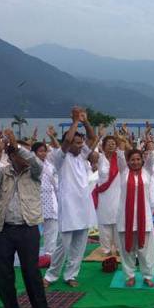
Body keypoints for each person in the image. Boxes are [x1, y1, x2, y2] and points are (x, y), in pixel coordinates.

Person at [0, 129, 49, 308]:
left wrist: (17, 147)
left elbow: (36, 162)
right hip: (4, 230)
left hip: (27, 229)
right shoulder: (3, 173)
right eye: (19, 153)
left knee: (31, 273)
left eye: (26, 153)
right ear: (11, 156)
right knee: (4, 274)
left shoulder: (34, 172)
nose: (26, 157)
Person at [43, 107, 97, 288]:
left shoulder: (82, 154)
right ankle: (51, 276)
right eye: (77, 142)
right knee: (63, 245)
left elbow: (93, 137)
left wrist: (85, 121)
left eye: (81, 142)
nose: (81, 145)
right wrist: (75, 121)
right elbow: (66, 140)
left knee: (79, 246)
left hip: (84, 206)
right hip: (68, 207)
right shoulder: (59, 156)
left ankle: (71, 275)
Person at [117, 130, 154, 287]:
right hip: (125, 219)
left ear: (142, 161)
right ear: (127, 162)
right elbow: (120, 154)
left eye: (138, 159)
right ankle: (130, 276)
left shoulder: (147, 172)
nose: (135, 162)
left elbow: (152, 156)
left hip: (144, 219)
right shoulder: (123, 172)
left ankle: (148, 276)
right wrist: (121, 140)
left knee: (145, 251)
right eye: (132, 160)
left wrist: (148, 140)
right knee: (127, 251)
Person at [93, 134, 127, 256]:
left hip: (117, 194)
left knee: (117, 222)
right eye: (109, 143)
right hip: (103, 194)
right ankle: (106, 249)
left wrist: (122, 139)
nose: (112, 145)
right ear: (103, 146)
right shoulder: (100, 158)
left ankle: (118, 248)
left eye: (114, 143)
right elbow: (90, 153)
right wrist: (98, 136)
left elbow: (123, 159)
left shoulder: (119, 158)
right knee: (104, 223)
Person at [33, 141, 58, 257]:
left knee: (51, 227)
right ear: (34, 153)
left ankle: (50, 253)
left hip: (50, 198)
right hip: (34, 198)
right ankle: (32, 252)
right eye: (40, 151)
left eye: (44, 151)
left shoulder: (50, 165)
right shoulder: (30, 164)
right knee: (33, 229)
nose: (43, 154)